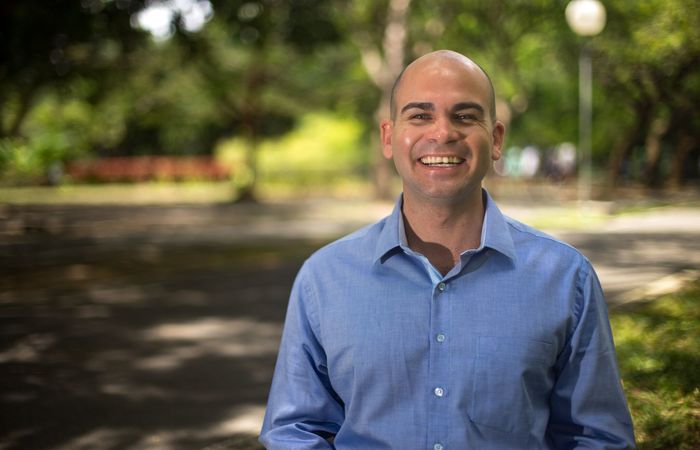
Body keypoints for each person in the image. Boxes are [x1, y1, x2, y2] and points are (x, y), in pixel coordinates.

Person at [259, 50, 635, 449]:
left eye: (465, 116)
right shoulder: (324, 278)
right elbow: (294, 431)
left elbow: (596, 437)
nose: (442, 133)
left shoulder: (565, 277)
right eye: (420, 115)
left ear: (496, 140)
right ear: (389, 137)